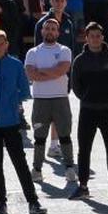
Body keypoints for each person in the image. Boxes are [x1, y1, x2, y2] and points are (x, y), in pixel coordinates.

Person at [0, 31, 44, 214]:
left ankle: (33, 201)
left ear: (6, 44)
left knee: (20, 163)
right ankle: (1, 203)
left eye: (1, 44)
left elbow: (24, 91)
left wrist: (16, 104)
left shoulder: (16, 65)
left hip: (11, 122)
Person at [69, 22, 108, 200]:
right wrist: (86, 97)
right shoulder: (79, 60)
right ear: (87, 38)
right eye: (91, 36)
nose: (95, 39)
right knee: (84, 150)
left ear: (102, 37)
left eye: (98, 35)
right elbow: (75, 86)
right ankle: (83, 186)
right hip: (87, 111)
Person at [24, 18, 76, 184]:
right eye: (47, 28)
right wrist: (51, 72)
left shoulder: (64, 50)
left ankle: (69, 168)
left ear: (58, 32)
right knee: (39, 137)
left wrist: (42, 72)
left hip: (60, 99)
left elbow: (61, 70)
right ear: (42, 31)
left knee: (65, 135)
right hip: (40, 100)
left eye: (53, 29)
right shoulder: (32, 52)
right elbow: (31, 75)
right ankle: (37, 169)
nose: (50, 31)